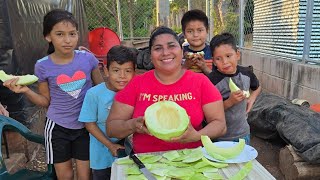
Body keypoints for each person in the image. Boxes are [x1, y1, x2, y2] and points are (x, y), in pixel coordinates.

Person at [3, 9, 103, 180]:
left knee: (85, 176)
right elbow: (45, 101)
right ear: (48, 37)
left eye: (72, 34)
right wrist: (26, 90)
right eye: (60, 34)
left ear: (78, 34)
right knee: (65, 176)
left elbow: (101, 88)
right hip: (57, 128)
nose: (67, 40)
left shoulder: (87, 59)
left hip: (86, 126)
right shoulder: (42, 66)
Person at [106, 26, 226, 153]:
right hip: (147, 163)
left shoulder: (200, 82)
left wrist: (196, 136)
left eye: (171, 46)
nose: (165, 52)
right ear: (150, 55)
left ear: (182, 50)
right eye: (158, 48)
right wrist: (132, 125)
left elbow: (220, 124)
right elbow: (111, 128)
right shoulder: (137, 83)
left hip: (191, 161)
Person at [78, 45, 136, 180]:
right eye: (116, 70)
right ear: (106, 70)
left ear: (134, 72)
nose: (122, 76)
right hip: (100, 154)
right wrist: (109, 145)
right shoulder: (94, 94)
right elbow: (89, 124)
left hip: (125, 151)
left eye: (128, 71)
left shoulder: (133, 93)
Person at [207, 32, 262, 145]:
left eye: (228, 56)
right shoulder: (212, 81)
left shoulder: (246, 73)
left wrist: (252, 98)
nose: (225, 62)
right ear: (213, 61)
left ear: (237, 54)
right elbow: (209, 112)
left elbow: (257, 87)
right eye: (218, 58)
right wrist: (230, 102)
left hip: (243, 134)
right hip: (220, 137)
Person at [181, 9, 212, 75]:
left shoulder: (214, 53)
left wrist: (204, 67)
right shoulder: (180, 53)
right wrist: (185, 66)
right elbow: (174, 78)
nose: (195, 35)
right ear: (184, 33)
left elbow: (219, 80)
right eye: (190, 31)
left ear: (207, 31)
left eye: (200, 30)